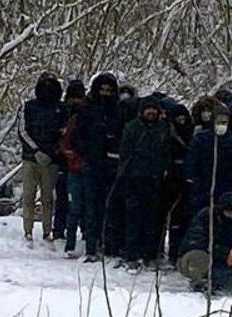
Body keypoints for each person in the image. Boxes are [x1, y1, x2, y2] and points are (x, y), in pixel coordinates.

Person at [118, 96, 173, 273]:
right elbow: (125, 153)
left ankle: (150, 255)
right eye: (148, 109)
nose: (151, 112)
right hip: (135, 179)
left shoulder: (164, 128)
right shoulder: (132, 127)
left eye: (154, 109)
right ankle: (131, 256)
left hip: (155, 179)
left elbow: (167, 151)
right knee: (133, 219)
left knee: (153, 220)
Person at [75, 72, 123, 262]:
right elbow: (79, 135)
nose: (105, 93)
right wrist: (88, 152)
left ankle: (109, 245)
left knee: (110, 206)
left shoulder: (117, 110)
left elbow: (121, 135)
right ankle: (91, 247)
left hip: (111, 164)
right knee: (91, 207)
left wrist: (113, 149)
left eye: (109, 90)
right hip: (92, 163)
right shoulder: (87, 109)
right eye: (102, 90)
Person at [18, 72, 67, 247]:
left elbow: (65, 133)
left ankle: (47, 232)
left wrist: (53, 152)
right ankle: (27, 232)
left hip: (51, 160)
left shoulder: (62, 109)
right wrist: (36, 150)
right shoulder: (29, 107)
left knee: (48, 198)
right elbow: (22, 130)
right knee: (28, 196)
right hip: (31, 158)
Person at [177, 192, 232, 291]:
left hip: (221, 263)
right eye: (229, 212)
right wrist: (224, 253)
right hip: (197, 257)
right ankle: (199, 282)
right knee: (199, 258)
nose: (231, 216)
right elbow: (197, 243)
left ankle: (229, 282)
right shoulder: (205, 217)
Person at [185, 105, 232, 213]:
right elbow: (191, 162)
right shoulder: (201, 139)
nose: (221, 125)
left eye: (225, 122)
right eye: (219, 121)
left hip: (225, 187)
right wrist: (195, 182)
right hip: (203, 187)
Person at [58, 79, 87, 258]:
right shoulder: (65, 114)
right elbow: (64, 142)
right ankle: (67, 241)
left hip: (87, 167)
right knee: (71, 206)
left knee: (86, 207)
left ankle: (85, 238)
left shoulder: (87, 118)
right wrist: (71, 157)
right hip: (70, 166)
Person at [163, 104, 195, 263]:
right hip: (172, 181)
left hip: (189, 181)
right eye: (178, 118)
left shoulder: (193, 134)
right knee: (174, 220)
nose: (181, 121)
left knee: (187, 219)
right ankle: (173, 253)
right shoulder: (169, 135)